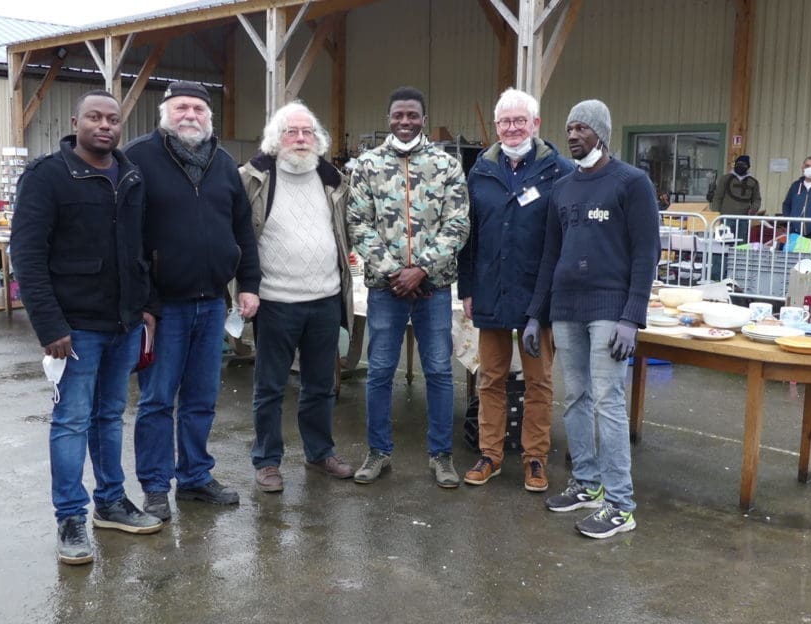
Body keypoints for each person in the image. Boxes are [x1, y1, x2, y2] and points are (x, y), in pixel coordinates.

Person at [12, 90, 163, 565]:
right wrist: (49, 325)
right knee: (71, 421)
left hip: (122, 324)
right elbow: (28, 255)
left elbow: (141, 249)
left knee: (109, 417)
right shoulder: (48, 176)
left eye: (113, 119)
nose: (105, 125)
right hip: (74, 330)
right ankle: (70, 517)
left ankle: (111, 502)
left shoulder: (130, 175)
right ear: (75, 121)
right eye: (95, 117)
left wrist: (146, 307)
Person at [125, 81, 261, 521]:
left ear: (209, 116)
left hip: (211, 303)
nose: (191, 115)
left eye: (199, 108)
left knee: (202, 398)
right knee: (158, 400)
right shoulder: (139, 157)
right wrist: (144, 300)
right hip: (163, 308)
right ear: (165, 112)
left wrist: (248, 283)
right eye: (181, 107)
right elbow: (125, 237)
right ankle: (154, 486)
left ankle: (196, 477)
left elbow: (243, 229)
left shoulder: (223, 165)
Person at [524, 99, 659, 539]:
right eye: (569, 128)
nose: (573, 134)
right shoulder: (562, 189)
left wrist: (631, 317)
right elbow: (549, 256)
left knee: (608, 402)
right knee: (576, 398)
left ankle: (621, 505)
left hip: (609, 310)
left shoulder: (631, 183)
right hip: (566, 308)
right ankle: (586, 483)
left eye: (582, 127)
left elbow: (646, 253)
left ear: (601, 131)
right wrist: (533, 316)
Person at [346, 86, 470, 488]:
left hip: (432, 289)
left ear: (423, 117)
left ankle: (441, 455)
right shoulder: (366, 165)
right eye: (398, 115)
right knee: (380, 371)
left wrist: (422, 270)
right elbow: (358, 224)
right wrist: (395, 272)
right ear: (388, 118)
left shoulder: (446, 164)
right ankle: (378, 452)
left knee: (438, 370)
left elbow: (458, 222)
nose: (405, 122)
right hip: (386, 289)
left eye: (412, 115)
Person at [457, 88, 573, 492]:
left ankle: (535, 458)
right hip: (490, 290)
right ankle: (489, 454)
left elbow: (565, 237)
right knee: (491, 377)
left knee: (538, 380)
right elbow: (468, 237)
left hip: (536, 295)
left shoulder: (558, 170)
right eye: (505, 121)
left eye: (519, 120)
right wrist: (467, 289)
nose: (511, 128)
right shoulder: (480, 171)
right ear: (496, 126)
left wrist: (552, 296)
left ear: (536, 124)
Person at [239, 102, 354, 492]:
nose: (300, 139)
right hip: (275, 301)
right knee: (270, 387)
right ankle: (267, 461)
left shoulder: (333, 180)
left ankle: (319, 452)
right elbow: (238, 237)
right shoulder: (252, 179)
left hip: (325, 299)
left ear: (318, 139)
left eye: (307, 132)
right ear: (276, 138)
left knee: (320, 385)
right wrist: (244, 287)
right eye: (291, 132)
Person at [710, 154, 762, 242]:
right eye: (739, 164)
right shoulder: (725, 179)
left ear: (748, 167)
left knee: (741, 245)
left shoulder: (753, 182)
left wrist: (754, 208)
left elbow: (757, 199)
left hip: (744, 219)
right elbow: (718, 197)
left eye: (744, 165)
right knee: (723, 243)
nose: (741, 166)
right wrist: (716, 215)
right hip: (726, 218)